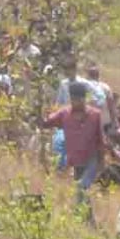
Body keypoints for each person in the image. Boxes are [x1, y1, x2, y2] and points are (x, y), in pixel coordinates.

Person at [41, 82, 104, 212]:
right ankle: (88, 221)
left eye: (79, 99)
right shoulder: (64, 114)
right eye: (73, 99)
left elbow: (100, 140)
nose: (76, 103)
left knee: (81, 187)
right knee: (81, 192)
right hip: (76, 161)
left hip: (91, 159)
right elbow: (46, 122)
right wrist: (38, 112)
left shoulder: (95, 115)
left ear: (84, 98)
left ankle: (78, 215)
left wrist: (101, 162)